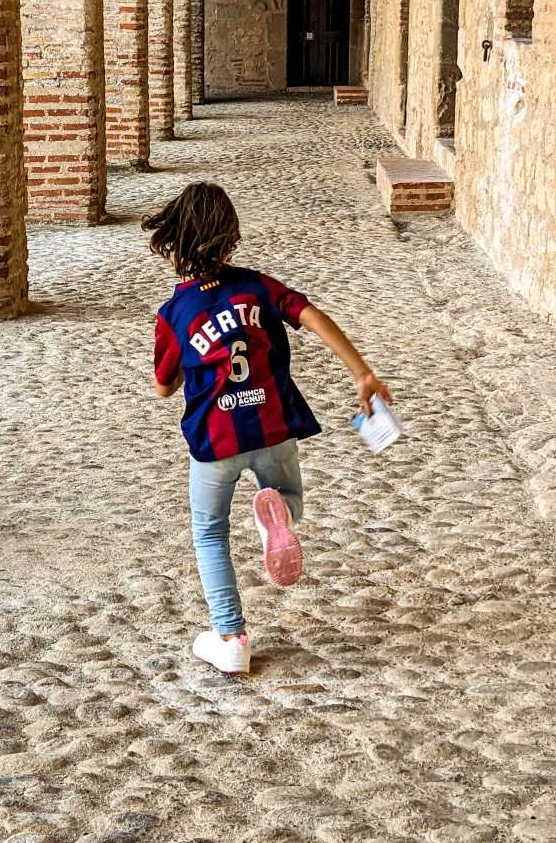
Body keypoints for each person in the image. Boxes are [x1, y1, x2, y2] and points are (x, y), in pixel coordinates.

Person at [146, 180, 391, 675]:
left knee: (210, 533)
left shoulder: (175, 313)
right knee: (289, 499)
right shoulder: (259, 286)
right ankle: (274, 517)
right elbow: (312, 316)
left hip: (216, 442)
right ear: (231, 237)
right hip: (272, 426)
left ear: (175, 242)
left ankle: (231, 636)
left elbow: (163, 387)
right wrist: (361, 372)